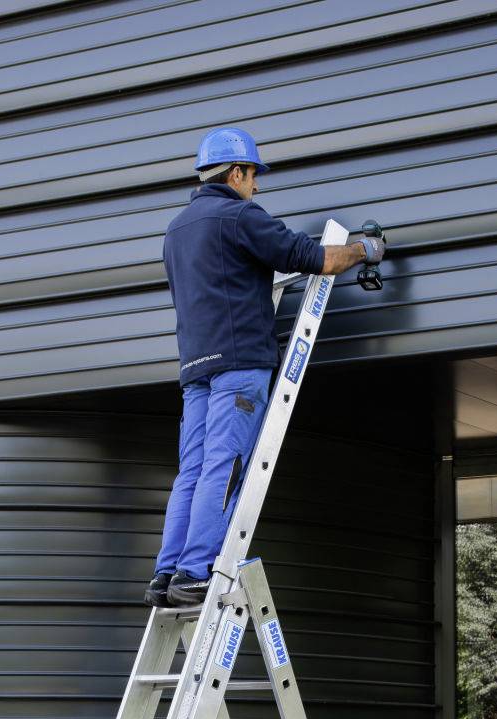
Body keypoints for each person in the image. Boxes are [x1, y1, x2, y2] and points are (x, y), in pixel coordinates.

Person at [145, 126, 386, 607]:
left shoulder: (176, 231)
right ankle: (194, 574)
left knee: (191, 469)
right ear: (235, 172)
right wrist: (366, 250)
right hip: (239, 365)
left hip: (195, 367)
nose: (257, 186)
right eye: (253, 176)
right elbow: (316, 258)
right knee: (225, 466)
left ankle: (166, 572)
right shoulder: (238, 216)